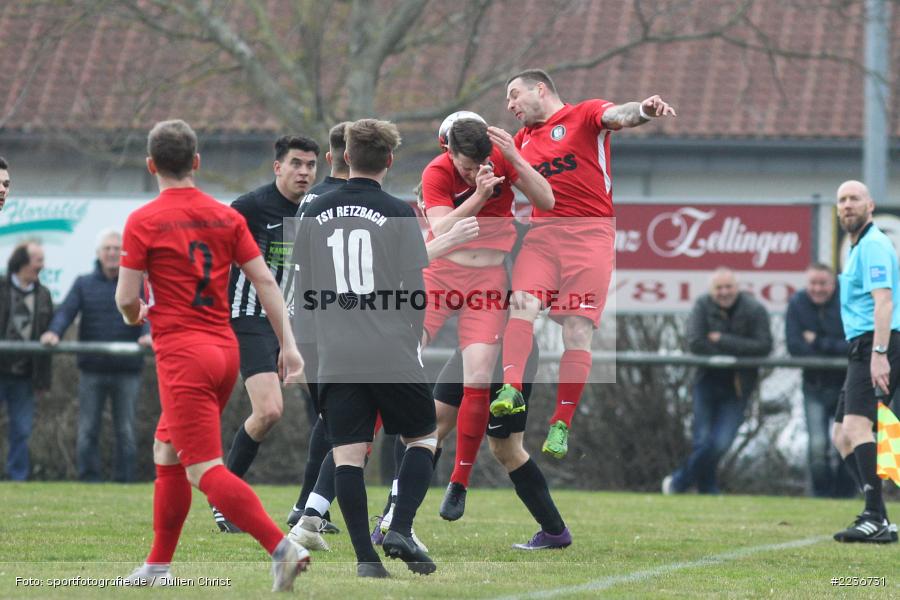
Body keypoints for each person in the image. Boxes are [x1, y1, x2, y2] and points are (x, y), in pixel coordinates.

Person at [116, 119, 310, 590]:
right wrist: (290, 345)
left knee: (203, 468)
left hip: (183, 355)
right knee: (166, 450)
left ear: (151, 165)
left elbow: (126, 298)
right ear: (197, 163)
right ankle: (158, 566)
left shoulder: (144, 220)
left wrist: (135, 314)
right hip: (225, 349)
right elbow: (265, 281)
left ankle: (281, 547)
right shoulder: (227, 217)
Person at [496, 68, 676, 459]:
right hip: (542, 237)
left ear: (539, 89)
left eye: (513, 95)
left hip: (590, 235)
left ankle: (560, 425)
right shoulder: (520, 141)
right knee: (521, 306)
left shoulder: (584, 115)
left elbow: (619, 115)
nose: (509, 105)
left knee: (577, 330)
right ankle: (510, 389)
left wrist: (643, 111)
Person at [294, 119, 437, 578]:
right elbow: (416, 288)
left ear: (345, 158)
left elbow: (305, 288)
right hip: (390, 347)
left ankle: (365, 559)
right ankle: (401, 526)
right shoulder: (398, 211)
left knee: (347, 454)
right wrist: (413, 333)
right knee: (422, 438)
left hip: (336, 350)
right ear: (390, 161)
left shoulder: (313, 211)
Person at [419, 114, 553, 520]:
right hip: (441, 274)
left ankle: (459, 483)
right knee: (403, 362)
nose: (474, 172)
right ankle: (376, 487)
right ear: (449, 152)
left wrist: (515, 159)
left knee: (478, 375)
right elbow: (442, 228)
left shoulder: (501, 160)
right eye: (465, 166)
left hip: (488, 279)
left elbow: (547, 201)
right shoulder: (437, 171)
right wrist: (478, 195)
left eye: (480, 164)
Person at [216, 134, 319, 533]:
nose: (304, 172)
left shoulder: (316, 208)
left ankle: (309, 510)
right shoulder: (250, 207)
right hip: (250, 318)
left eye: (311, 165)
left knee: (338, 412)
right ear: (278, 167)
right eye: (296, 164)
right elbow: (215, 257)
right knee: (269, 411)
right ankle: (225, 499)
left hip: (296, 321)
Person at [40, 229, 152, 483]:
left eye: (116, 248)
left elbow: (148, 313)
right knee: (88, 430)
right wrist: (53, 333)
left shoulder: (134, 283)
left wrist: (148, 334)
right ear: (99, 254)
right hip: (92, 369)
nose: (112, 253)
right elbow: (66, 312)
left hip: (127, 370)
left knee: (126, 431)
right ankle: (87, 480)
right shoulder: (83, 283)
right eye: (107, 249)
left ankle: (125, 483)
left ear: (122, 254)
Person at [287, 122, 350, 531]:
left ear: (330, 157)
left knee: (329, 421)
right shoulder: (347, 202)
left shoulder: (311, 198)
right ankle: (307, 508)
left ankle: (311, 507)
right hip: (333, 325)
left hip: (304, 320)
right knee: (339, 422)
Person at [831, 180, 900, 544]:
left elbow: (884, 302)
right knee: (841, 435)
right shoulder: (858, 246)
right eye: (841, 200)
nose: (847, 205)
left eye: (854, 198)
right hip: (861, 344)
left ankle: (874, 516)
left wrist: (879, 354)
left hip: (875, 344)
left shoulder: (873, 245)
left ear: (870, 205)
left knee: (859, 428)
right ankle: (880, 515)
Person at [663, 268, 772, 494]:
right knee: (702, 441)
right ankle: (708, 488)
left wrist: (722, 339)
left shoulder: (755, 309)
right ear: (711, 291)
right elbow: (695, 342)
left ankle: (678, 482)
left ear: (737, 287)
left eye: (728, 287)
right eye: (719, 288)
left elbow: (763, 346)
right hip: (706, 380)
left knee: (721, 443)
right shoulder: (702, 305)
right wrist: (739, 348)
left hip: (738, 386)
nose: (724, 292)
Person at [785, 263, 856, 498]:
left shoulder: (847, 303)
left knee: (846, 442)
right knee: (817, 446)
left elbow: (853, 346)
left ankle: (844, 496)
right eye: (813, 283)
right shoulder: (797, 303)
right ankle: (821, 497)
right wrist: (831, 345)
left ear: (833, 283)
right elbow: (794, 346)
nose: (818, 289)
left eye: (823, 283)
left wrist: (817, 341)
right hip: (813, 386)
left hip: (846, 385)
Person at [0, 240, 52, 481]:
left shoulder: (44, 295)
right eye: (38, 260)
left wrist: (43, 380)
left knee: (21, 430)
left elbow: (48, 336)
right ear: (23, 262)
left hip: (24, 377)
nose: (42, 265)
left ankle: (17, 477)